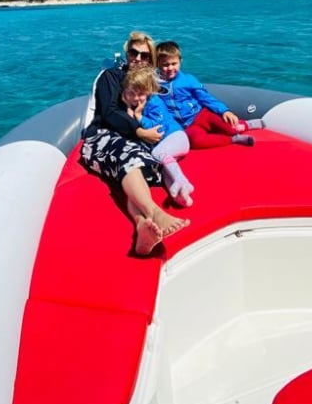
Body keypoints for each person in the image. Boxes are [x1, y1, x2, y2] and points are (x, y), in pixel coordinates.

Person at [80, 31, 190, 255]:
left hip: (132, 141)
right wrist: (139, 131)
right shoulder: (110, 77)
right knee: (129, 158)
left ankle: (142, 225)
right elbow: (109, 111)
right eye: (133, 53)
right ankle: (155, 212)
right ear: (126, 52)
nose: (137, 59)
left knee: (138, 169)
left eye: (144, 55)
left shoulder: (145, 82)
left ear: (150, 60)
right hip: (103, 136)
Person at [153, 40, 264, 148]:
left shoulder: (188, 80)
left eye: (174, 64)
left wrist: (225, 111)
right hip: (187, 125)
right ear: (158, 64)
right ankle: (234, 139)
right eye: (165, 65)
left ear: (180, 61)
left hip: (203, 115)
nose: (170, 68)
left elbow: (206, 98)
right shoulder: (155, 84)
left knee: (231, 128)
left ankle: (247, 125)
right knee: (196, 142)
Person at [130, 68, 195, 207]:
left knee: (157, 154)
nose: (136, 98)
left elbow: (158, 128)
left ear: (149, 90)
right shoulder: (144, 102)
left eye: (140, 94)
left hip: (177, 137)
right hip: (169, 145)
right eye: (133, 94)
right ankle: (181, 197)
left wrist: (139, 117)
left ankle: (182, 180)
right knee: (164, 170)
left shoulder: (155, 102)